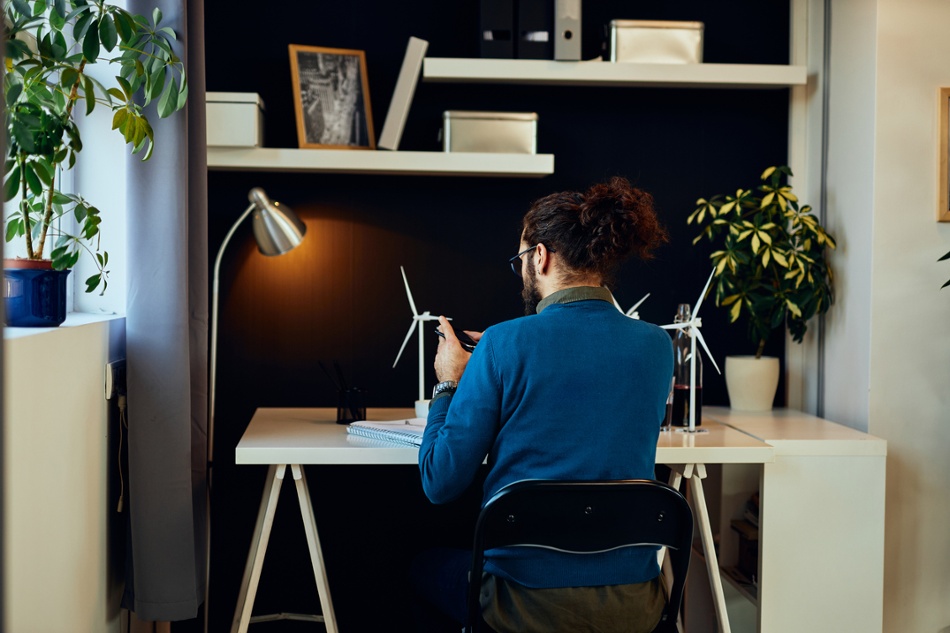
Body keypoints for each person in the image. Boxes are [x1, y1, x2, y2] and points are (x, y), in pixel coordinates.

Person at [410, 177, 674, 633]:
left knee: (420, 566)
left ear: (540, 256)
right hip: (638, 605)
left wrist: (451, 383)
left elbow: (439, 480)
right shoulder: (656, 346)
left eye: (521, 261)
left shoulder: (503, 342)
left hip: (522, 603)